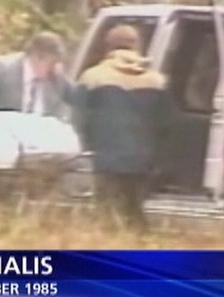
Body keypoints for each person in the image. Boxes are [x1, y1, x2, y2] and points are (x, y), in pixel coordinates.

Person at [73, 25, 172, 234]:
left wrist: (87, 147)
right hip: (142, 161)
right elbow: (166, 124)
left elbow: (77, 120)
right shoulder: (157, 80)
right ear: (137, 47)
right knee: (135, 212)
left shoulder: (92, 77)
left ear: (108, 46)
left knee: (107, 216)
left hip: (106, 160)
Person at [0, 31, 72, 121]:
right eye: (53, 63)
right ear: (38, 57)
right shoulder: (0, 69)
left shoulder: (57, 81)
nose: (57, 69)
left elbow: (67, 112)